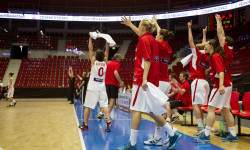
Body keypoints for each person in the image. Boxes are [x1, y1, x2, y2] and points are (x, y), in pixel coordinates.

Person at [117, 16, 181, 150]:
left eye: (138, 26)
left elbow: (147, 60)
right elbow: (143, 37)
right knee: (151, 110)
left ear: (142, 27)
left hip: (142, 80)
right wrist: (130, 25)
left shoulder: (145, 40)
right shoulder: (152, 39)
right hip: (151, 80)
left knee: (136, 110)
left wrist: (144, 79)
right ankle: (171, 132)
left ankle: (132, 143)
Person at [194, 37, 236, 142]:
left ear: (211, 46)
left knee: (211, 109)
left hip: (220, 86)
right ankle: (233, 134)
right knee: (226, 109)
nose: (205, 47)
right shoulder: (215, 56)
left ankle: (206, 134)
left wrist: (221, 85)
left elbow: (221, 71)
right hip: (226, 85)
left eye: (206, 45)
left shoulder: (215, 56)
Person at [79, 36, 111, 132]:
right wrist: (107, 41)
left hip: (93, 87)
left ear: (96, 56)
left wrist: (90, 38)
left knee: (87, 107)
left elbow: (90, 48)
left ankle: (85, 124)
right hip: (102, 87)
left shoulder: (93, 61)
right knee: (105, 106)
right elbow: (107, 50)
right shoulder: (105, 62)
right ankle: (108, 122)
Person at [215, 14, 238, 142]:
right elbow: (221, 35)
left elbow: (220, 34)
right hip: (227, 82)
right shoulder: (228, 51)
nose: (221, 40)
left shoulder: (227, 50)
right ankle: (227, 131)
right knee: (224, 109)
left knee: (226, 109)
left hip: (226, 83)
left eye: (223, 40)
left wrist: (219, 21)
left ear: (226, 42)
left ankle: (233, 134)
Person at [187, 21, 210, 136]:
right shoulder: (205, 55)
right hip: (204, 82)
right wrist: (204, 34)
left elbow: (190, 41)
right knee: (199, 106)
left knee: (195, 105)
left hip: (197, 81)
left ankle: (200, 127)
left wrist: (189, 28)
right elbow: (204, 44)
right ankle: (202, 126)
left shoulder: (196, 53)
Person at [96, 53, 124, 119]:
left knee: (106, 100)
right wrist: (120, 82)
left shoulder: (108, 64)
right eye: (120, 59)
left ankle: (101, 112)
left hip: (106, 83)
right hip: (113, 83)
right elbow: (115, 72)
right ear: (117, 58)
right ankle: (107, 115)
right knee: (112, 100)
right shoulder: (117, 64)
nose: (120, 60)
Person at [152, 16, 173, 96]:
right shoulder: (167, 46)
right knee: (162, 107)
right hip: (166, 83)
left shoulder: (159, 45)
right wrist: (155, 23)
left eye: (157, 35)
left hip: (159, 83)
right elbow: (160, 32)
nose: (155, 36)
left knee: (154, 107)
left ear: (160, 37)